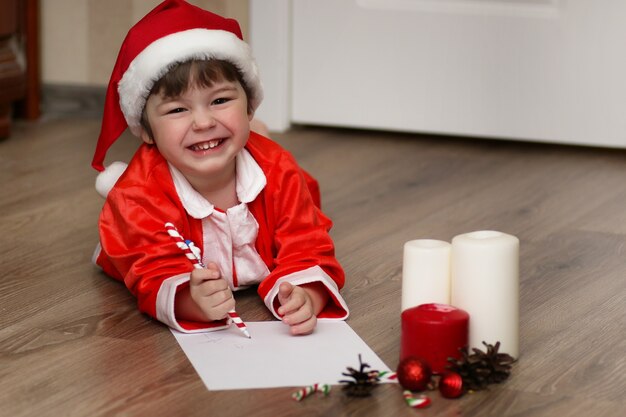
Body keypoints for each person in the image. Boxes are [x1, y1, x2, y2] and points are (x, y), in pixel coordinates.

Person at [91, 0, 348, 335]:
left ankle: (255, 134)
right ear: (148, 132)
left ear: (250, 105)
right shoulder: (139, 197)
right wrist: (192, 300)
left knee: (272, 160)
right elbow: (153, 272)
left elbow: (306, 242)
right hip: (143, 239)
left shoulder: (278, 170)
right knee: (133, 240)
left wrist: (305, 294)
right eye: (177, 110)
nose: (202, 121)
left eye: (220, 101)